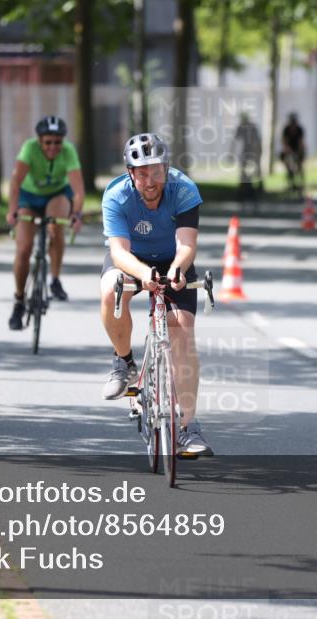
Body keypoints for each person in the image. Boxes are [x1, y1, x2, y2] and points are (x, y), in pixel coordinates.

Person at [98, 132, 213, 458]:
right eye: (142, 172)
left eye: (157, 171)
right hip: (132, 259)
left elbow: (187, 244)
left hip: (173, 257)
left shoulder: (184, 189)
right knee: (110, 291)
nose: (151, 180)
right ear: (130, 173)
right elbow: (118, 253)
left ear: (166, 168)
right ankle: (124, 363)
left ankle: (190, 429)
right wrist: (143, 274)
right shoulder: (116, 196)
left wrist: (177, 268)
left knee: (181, 329)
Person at [6, 116, 85, 331]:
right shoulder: (29, 149)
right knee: (23, 248)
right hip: (28, 198)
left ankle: (55, 279)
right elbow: (15, 182)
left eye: (57, 142)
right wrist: (12, 210)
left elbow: (78, 189)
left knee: (56, 226)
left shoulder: (68, 152)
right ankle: (19, 300)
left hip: (56, 195)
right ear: (39, 141)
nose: (53, 147)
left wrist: (77, 214)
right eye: (48, 142)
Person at [233, 112, 262, 210]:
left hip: (250, 155)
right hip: (245, 154)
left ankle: (249, 197)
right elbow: (236, 140)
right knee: (244, 177)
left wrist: (256, 157)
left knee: (248, 177)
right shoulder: (242, 127)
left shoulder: (251, 127)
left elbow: (257, 142)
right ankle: (244, 197)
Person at [281, 112, 306, 196]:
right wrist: (289, 153)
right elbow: (285, 143)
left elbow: (301, 143)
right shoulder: (286, 130)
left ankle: (301, 184)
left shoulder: (300, 129)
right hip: (289, 150)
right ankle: (291, 183)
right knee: (289, 167)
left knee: (300, 168)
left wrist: (299, 155)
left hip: (298, 150)